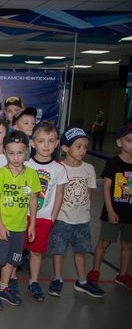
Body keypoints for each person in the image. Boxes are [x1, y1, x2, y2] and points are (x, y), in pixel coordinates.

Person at [0, 131, 40, 310]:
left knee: (12, 260)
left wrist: (32, 225)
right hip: (2, 225)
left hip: (20, 227)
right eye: (11, 153)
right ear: (5, 152)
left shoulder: (32, 174)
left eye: (20, 153)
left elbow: (33, 200)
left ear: (26, 151)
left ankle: (3, 287)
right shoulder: (1, 174)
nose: (16, 157)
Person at [48, 128, 105, 298]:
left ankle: (82, 280)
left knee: (81, 250)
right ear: (65, 148)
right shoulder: (59, 168)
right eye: (78, 146)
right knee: (59, 250)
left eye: (85, 147)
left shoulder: (89, 169)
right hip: (62, 218)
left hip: (82, 219)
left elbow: (89, 193)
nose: (83, 150)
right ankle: (57, 278)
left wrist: (81, 209)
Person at [24, 122, 68, 301]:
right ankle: (10, 280)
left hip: (43, 217)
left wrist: (52, 217)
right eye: (41, 141)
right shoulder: (25, 165)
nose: (46, 145)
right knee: (15, 250)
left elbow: (59, 193)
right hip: (22, 216)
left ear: (57, 143)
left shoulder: (59, 168)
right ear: (32, 143)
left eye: (50, 141)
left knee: (36, 252)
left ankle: (33, 281)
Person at [88, 123, 132, 289]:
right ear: (119, 142)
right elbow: (106, 188)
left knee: (128, 245)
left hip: (130, 213)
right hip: (113, 211)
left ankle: (122, 275)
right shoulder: (113, 163)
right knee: (104, 242)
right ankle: (95, 271)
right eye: (129, 140)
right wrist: (110, 210)